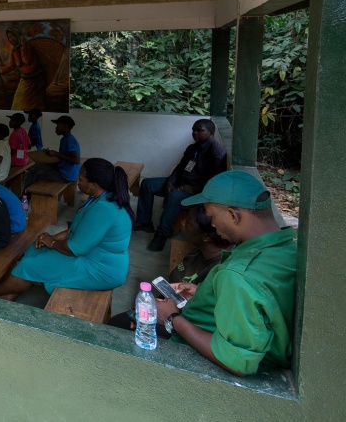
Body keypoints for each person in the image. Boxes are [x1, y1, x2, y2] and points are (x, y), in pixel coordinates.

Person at [156, 171, 296, 377]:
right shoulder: (285, 249)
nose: (211, 224)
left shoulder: (238, 275)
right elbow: (259, 306)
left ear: (233, 215)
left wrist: (172, 318)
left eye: (212, 217)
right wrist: (205, 294)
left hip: (197, 363)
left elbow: (237, 362)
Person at [0, 158, 133, 300]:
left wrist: (52, 243)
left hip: (100, 269)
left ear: (93, 184)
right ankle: (7, 295)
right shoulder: (100, 198)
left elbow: (75, 248)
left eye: (81, 179)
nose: (78, 183)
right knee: (34, 249)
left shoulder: (103, 209)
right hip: (91, 256)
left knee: (29, 265)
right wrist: (51, 238)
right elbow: (75, 230)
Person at [108, 204, 233, 334]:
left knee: (117, 324)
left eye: (189, 222)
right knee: (119, 321)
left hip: (178, 323)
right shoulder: (200, 250)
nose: (183, 223)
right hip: (166, 307)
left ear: (206, 237)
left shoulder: (218, 270)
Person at [135, 118, 229, 252]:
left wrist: (191, 188)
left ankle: (162, 234)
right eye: (193, 130)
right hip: (180, 182)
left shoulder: (217, 152)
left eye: (199, 130)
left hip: (198, 191)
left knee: (174, 197)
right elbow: (180, 168)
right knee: (147, 184)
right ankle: (144, 222)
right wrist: (170, 181)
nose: (195, 133)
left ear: (211, 133)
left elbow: (213, 182)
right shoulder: (193, 148)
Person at [23, 115, 80, 188]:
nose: (56, 128)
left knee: (38, 176)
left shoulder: (70, 140)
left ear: (65, 126)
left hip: (66, 175)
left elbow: (76, 160)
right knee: (35, 168)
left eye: (58, 125)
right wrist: (53, 154)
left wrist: (56, 154)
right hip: (63, 168)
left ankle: (26, 195)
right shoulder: (65, 139)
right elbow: (64, 156)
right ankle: (25, 193)